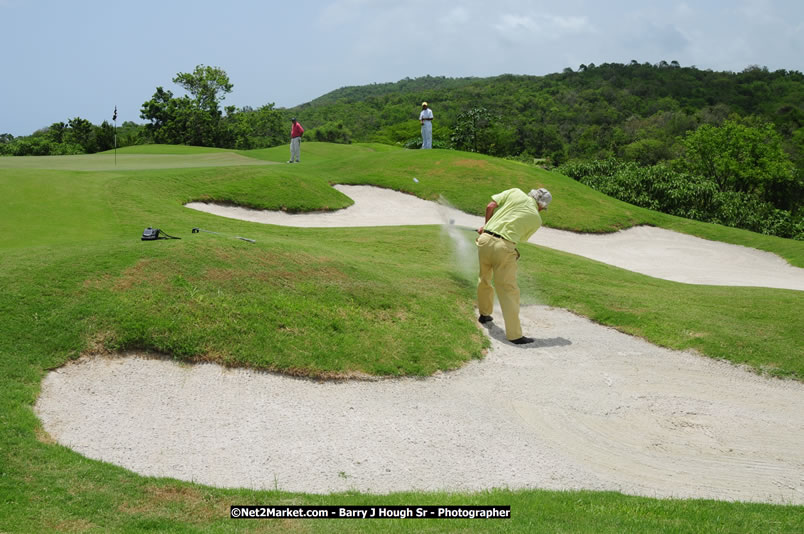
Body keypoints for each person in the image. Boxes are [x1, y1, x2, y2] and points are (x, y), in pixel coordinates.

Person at [476, 187, 552, 344]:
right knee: (508, 290)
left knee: (484, 278)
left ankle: (484, 315)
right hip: (504, 248)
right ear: (541, 205)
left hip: (484, 240)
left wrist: (486, 226)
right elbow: (518, 239)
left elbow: (490, 206)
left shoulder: (515, 192)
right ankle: (515, 335)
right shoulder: (536, 219)